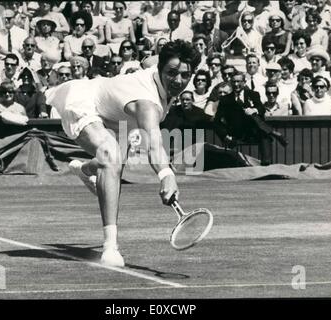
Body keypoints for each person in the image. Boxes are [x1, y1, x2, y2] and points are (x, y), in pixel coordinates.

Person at [45, 40, 201, 267]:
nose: (178, 81)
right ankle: (110, 247)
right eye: (172, 73)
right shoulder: (147, 103)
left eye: (185, 76)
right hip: (84, 100)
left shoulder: (159, 67)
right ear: (160, 70)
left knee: (117, 159)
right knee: (111, 156)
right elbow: (153, 142)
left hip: (116, 114)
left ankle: (86, 169)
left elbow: (150, 60)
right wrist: (166, 175)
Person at [212, 71, 288, 166]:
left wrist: (254, 110)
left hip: (252, 131)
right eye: (234, 82)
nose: (236, 84)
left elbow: (261, 109)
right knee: (261, 128)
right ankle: (273, 132)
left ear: (244, 82)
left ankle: (266, 164)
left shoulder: (253, 94)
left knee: (261, 130)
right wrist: (225, 136)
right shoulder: (225, 99)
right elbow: (216, 121)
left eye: (239, 81)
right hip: (236, 132)